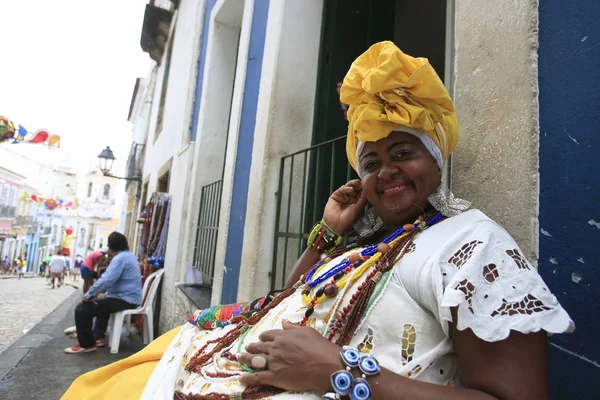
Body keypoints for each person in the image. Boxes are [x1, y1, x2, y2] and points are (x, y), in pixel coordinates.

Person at [62, 42, 573, 399]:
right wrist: (330, 231)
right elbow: (296, 299)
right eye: (370, 162)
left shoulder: (472, 245)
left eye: (403, 152)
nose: (386, 171)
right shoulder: (376, 240)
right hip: (212, 361)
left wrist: (338, 372)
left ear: (437, 159)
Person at [64, 232, 142, 354]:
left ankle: (87, 344)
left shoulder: (120, 259)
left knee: (83, 308)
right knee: (100, 302)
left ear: (111, 247)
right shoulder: (128, 256)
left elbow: (107, 280)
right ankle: (95, 335)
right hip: (128, 298)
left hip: (126, 300)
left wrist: (88, 295)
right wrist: (103, 295)